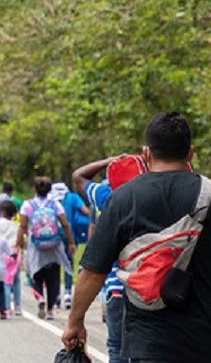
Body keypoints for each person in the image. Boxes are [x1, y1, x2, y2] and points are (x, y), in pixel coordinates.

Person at [62, 111, 211, 363]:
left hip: (149, 345)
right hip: (206, 343)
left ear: (146, 154)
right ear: (191, 153)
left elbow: (92, 272)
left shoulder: (123, 198)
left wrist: (75, 322)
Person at [71, 152, 146, 363]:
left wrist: (109, 161)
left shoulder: (109, 197)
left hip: (116, 289)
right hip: (150, 291)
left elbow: (79, 176)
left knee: (116, 347)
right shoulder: (153, 197)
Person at [17, 176, 75, 320]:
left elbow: (23, 226)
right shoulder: (54, 204)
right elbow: (65, 223)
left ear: (34, 189)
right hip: (54, 245)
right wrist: (71, 242)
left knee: (34, 274)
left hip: (35, 245)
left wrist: (19, 243)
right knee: (53, 276)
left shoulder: (28, 205)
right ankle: (50, 310)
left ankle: (40, 299)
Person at [49, 180, 89, 309]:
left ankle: (55, 296)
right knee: (69, 263)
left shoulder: (50, 199)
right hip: (69, 234)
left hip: (53, 235)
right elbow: (85, 211)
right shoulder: (72, 197)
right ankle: (67, 293)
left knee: (54, 264)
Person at [0, 200, 23, 316]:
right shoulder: (16, 225)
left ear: (1, 211)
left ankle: (7, 307)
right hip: (15, 253)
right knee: (16, 280)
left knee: (6, 281)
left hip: (3, 254)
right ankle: (17, 306)